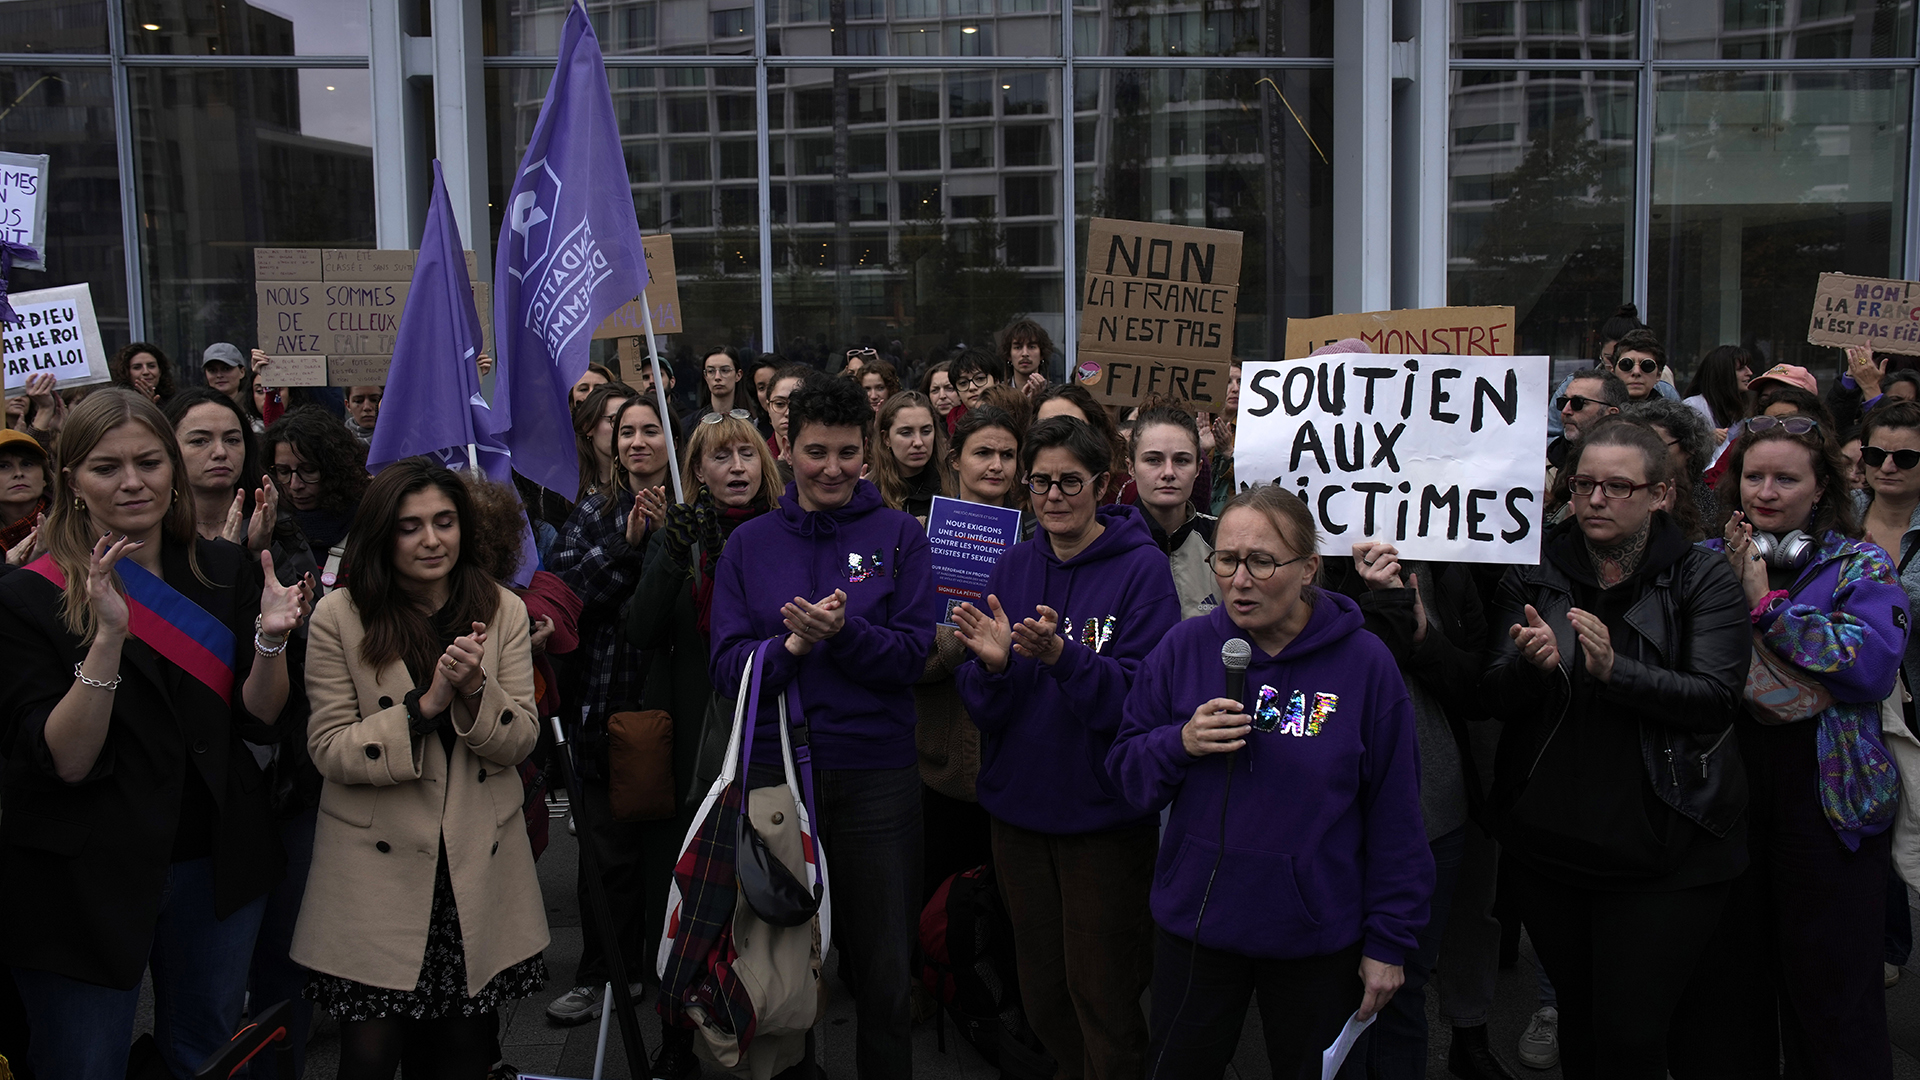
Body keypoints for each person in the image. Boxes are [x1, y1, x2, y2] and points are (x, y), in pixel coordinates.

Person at [0, 388, 310, 1079]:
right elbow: (67, 762)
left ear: (172, 470)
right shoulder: (25, 596)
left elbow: (260, 718)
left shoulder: (225, 570)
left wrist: (268, 642)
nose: (133, 481)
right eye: (107, 467)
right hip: (80, 880)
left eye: (148, 461)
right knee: (84, 1065)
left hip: (215, 860)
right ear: (71, 480)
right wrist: (107, 638)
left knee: (204, 1053)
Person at [1107, 484, 1432, 1078]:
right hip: (1198, 925)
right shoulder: (1183, 648)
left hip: (1314, 935)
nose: (1239, 580)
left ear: (1309, 568)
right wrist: (1178, 742)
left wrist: (1389, 941)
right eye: (1227, 560)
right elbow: (1129, 777)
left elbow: (1397, 815)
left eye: (1261, 561)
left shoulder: (1364, 664)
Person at [1483, 417, 1750, 1079]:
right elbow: (1491, 690)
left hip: (1664, 847)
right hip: (1552, 845)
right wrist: (1530, 667)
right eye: (1584, 485)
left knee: (1631, 1033)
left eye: (1617, 487)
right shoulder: (1534, 568)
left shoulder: (1700, 577)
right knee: (1579, 1018)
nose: (1596, 499)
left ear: (1661, 494)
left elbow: (1715, 697)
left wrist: (1615, 672)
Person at [709, 371, 938, 1077]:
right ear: (786, 448)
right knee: (785, 963)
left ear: (868, 453)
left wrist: (845, 637)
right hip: (782, 777)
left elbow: (915, 652)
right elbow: (726, 665)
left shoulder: (899, 535)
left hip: (879, 776)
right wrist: (792, 649)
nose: (832, 468)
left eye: (846, 452)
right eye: (816, 452)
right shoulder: (747, 545)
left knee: (884, 970)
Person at [1670, 413, 1911, 1079]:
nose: (1766, 491)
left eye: (1786, 478)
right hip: (1727, 789)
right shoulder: (1705, 560)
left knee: (1832, 992)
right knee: (1728, 989)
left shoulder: (1859, 564)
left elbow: (1871, 665)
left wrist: (1767, 606)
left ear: (1821, 487)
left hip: (1826, 798)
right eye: (1754, 476)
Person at [293, 460, 546, 1079]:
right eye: (410, 527)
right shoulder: (339, 616)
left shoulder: (503, 609)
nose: (432, 540)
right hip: (374, 877)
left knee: (462, 1052)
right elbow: (329, 747)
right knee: (370, 1057)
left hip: (471, 869)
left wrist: (474, 690)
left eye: (444, 522)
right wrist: (425, 706)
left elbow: (521, 740)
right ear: (382, 535)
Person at [950, 416, 1181, 1079]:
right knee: (1042, 992)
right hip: (1019, 818)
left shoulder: (1142, 571)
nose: (1053, 495)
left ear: (1103, 484)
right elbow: (985, 707)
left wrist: (1063, 658)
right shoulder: (1013, 563)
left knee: (1104, 996)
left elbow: (1141, 700)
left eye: (1069, 482)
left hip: (1103, 824)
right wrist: (992, 669)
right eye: (1040, 481)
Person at [625, 411, 782, 1079]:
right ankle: (676, 1035)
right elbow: (639, 628)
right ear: (696, 472)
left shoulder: (787, 531)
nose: (737, 467)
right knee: (684, 896)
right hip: (694, 736)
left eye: (747, 452)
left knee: (769, 889)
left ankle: (776, 1032)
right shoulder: (683, 534)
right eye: (720, 458)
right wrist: (666, 550)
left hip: (765, 733)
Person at [1322, 531, 1493, 1080]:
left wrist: (1419, 633)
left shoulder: (1448, 565)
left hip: (1429, 811)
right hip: (1329, 817)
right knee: (1329, 990)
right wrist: (1368, 596)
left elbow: (1475, 687)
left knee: (1400, 988)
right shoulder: (1310, 557)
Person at [545, 391, 679, 1025]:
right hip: (609, 707)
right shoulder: (596, 511)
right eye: (626, 431)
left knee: (675, 851)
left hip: (680, 705)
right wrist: (626, 549)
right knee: (606, 851)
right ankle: (605, 974)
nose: (637, 442)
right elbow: (561, 593)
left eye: (651, 430)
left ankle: (677, 969)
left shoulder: (698, 509)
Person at [916, 405, 1027, 900]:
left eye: (1008, 454)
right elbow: (906, 657)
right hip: (938, 763)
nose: (996, 465)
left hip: (1012, 759)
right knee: (937, 906)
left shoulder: (1038, 543)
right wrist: (963, 639)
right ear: (955, 460)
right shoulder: (918, 538)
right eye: (983, 452)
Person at [263, 406, 370, 592]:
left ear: (335, 467)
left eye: (309, 470)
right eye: (283, 472)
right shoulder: (267, 533)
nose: (295, 484)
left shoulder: (369, 526)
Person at [1127, 405, 1217, 620]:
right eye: (1153, 460)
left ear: (1198, 468)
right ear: (1131, 467)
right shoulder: (1106, 541)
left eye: (1181, 460)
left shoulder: (1222, 540)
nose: (1168, 472)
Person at [164, 389, 273, 548]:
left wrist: (259, 551)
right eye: (200, 441)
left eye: (232, 440)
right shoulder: (153, 530)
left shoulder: (273, 522)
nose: (220, 453)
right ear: (170, 448)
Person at [1627, 396, 1716, 539]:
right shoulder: (1633, 493)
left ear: (1690, 447)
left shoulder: (1707, 504)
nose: (1645, 455)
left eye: (1656, 446)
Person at [1034, 384, 1125, 501]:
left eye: (1073, 426)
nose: (1058, 436)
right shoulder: (1015, 490)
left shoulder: (1126, 492)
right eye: (1046, 427)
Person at [870, 390, 948, 519]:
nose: (918, 442)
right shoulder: (869, 493)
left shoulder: (954, 482)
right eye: (906, 433)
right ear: (886, 438)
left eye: (926, 431)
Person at [570, 382, 637, 506]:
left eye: (631, 423)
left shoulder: (646, 483)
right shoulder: (565, 489)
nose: (624, 429)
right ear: (588, 427)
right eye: (615, 420)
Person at [0, 428, 50, 566]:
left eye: (27, 464)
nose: (18, 473)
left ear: (45, 477)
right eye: (3, 466)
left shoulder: (71, 522)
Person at [1682, 344, 1754, 435]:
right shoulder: (1693, 407)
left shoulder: (1740, 409)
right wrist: (1706, 438)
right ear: (1723, 374)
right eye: (1740, 369)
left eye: (1748, 367)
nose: (1749, 373)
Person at [687, 345, 755, 428]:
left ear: (738, 375)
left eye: (725, 370)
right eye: (711, 371)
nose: (717, 377)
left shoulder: (752, 423)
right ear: (705, 377)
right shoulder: (690, 426)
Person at [764, 363, 812, 474]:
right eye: (780, 404)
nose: (788, 413)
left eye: (797, 404)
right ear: (768, 408)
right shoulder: (756, 458)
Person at [999, 317, 1056, 395]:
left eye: (1031, 347)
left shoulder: (1055, 394)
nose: (1025, 353)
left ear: (1042, 354)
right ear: (1009, 355)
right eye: (1018, 347)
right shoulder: (998, 395)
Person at [950, 348, 1010, 419]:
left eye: (980, 379)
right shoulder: (951, 423)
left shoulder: (1015, 414)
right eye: (963, 383)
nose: (972, 387)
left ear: (996, 381)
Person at [110, 341, 176, 405]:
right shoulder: (116, 402)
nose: (146, 372)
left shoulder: (174, 401)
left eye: (151, 366)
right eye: (137, 367)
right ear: (126, 372)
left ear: (160, 370)